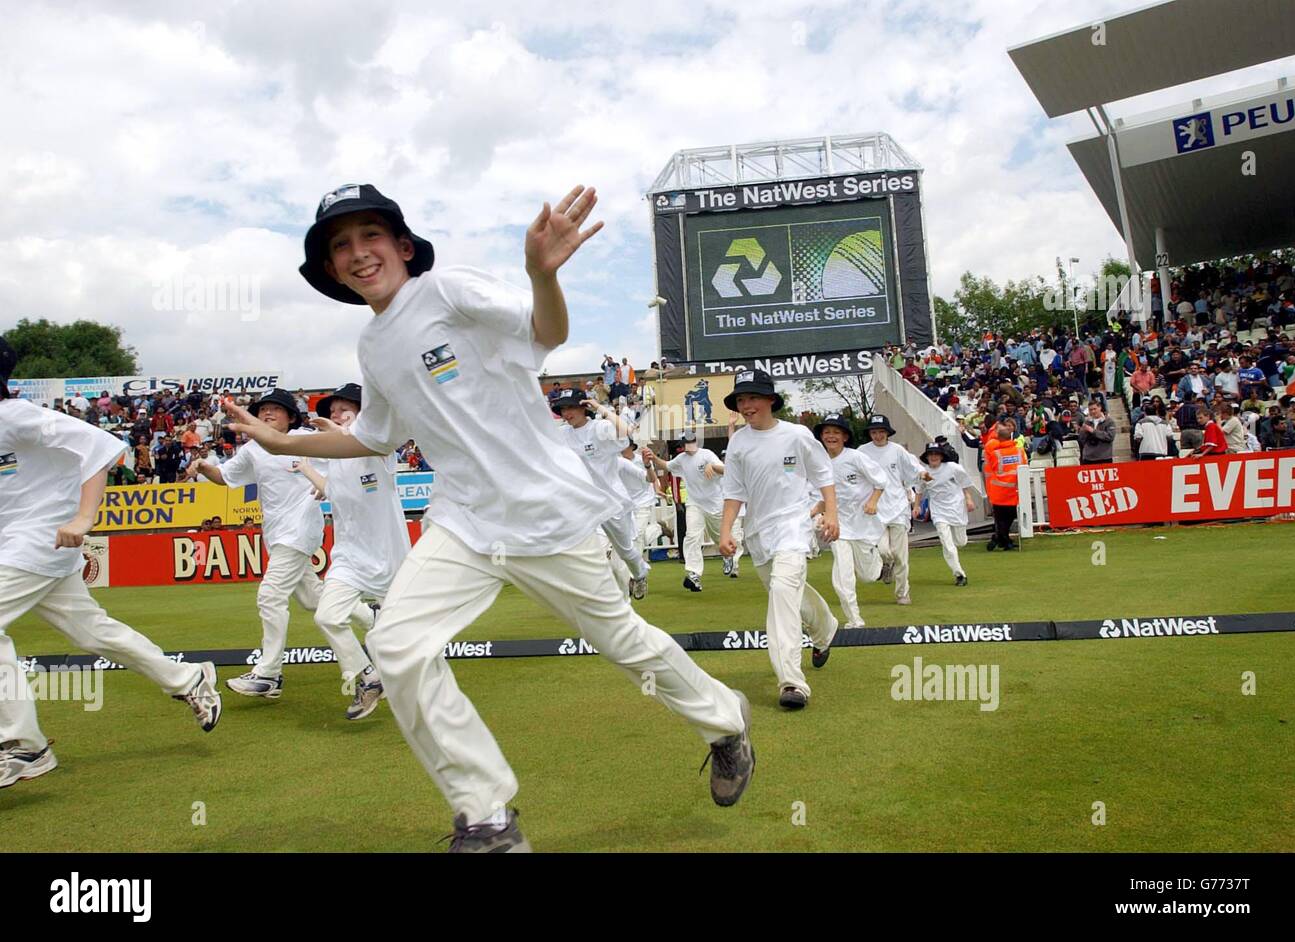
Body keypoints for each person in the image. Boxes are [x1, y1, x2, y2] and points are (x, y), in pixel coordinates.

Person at [227, 182, 753, 851]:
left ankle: (723, 720)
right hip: (467, 521)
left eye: (371, 236)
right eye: (341, 246)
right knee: (396, 646)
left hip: (547, 513)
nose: (359, 253)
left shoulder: (445, 291)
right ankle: (488, 817)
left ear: (403, 246)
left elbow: (546, 332)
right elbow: (375, 436)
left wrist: (541, 272)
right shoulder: (371, 348)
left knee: (626, 644)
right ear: (331, 270)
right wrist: (283, 442)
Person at [0, 338, 220, 790]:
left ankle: (25, 744)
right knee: (93, 630)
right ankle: (189, 677)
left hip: (39, 542)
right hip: (29, 547)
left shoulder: (14, 416)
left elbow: (101, 444)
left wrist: (84, 517)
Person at [187, 388, 376, 699]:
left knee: (271, 595)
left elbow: (347, 458)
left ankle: (269, 673)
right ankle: (371, 616)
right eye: (263, 410)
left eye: (276, 409)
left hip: (301, 529)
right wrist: (204, 467)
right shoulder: (253, 449)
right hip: (275, 534)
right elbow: (223, 476)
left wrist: (331, 483)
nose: (268, 413)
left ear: (291, 416)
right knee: (313, 598)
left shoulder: (306, 439)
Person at [718, 370, 838, 710]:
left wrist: (832, 514)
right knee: (789, 595)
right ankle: (826, 628)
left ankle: (792, 683)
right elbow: (734, 491)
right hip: (758, 534)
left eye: (753, 398)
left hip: (794, 528)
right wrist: (727, 532)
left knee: (783, 594)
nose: (746, 406)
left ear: (771, 400)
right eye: (741, 400)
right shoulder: (739, 441)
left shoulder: (797, 435)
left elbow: (824, 475)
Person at [292, 383, 412, 720]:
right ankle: (370, 678)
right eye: (331, 412)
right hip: (348, 557)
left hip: (391, 558)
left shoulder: (380, 446)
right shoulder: (334, 460)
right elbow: (332, 490)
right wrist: (306, 469)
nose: (335, 416)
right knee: (327, 617)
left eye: (344, 410)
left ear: (362, 414)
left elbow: (369, 442)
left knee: (400, 639)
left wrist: (339, 432)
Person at [552, 387, 650, 600]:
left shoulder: (600, 428)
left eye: (571, 408)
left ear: (583, 407)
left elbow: (626, 431)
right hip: (585, 503)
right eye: (563, 409)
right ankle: (601, 597)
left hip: (613, 501)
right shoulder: (561, 434)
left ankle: (640, 574)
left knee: (625, 551)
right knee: (587, 549)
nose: (566, 414)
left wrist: (600, 408)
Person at [644, 430, 743, 590]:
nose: (686, 446)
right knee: (691, 536)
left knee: (720, 538)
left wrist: (713, 467)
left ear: (695, 441)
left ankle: (727, 556)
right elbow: (667, 466)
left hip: (714, 504)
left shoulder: (707, 454)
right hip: (694, 504)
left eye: (688, 442)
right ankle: (693, 574)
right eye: (684, 444)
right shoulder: (682, 459)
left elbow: (726, 470)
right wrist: (653, 458)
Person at [812, 413, 886, 628]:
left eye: (836, 432)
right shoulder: (819, 463)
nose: (831, 436)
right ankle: (855, 619)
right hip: (838, 527)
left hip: (864, 525)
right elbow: (822, 498)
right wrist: (812, 514)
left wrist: (873, 501)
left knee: (869, 576)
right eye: (827, 432)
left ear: (845, 436)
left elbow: (880, 481)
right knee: (842, 577)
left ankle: (880, 563)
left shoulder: (856, 457)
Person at [858, 414, 922, 605]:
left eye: (881, 432)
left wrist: (923, 474)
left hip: (898, 507)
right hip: (874, 508)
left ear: (887, 433)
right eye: (874, 432)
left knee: (901, 555)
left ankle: (902, 592)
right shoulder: (862, 452)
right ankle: (886, 563)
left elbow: (913, 469)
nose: (877, 435)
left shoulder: (897, 451)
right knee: (884, 550)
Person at [915, 442, 978, 586]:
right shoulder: (924, 473)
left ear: (941, 455)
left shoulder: (953, 468)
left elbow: (965, 483)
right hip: (938, 511)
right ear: (927, 457)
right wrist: (916, 506)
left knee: (960, 542)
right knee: (947, 543)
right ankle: (959, 574)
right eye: (931, 454)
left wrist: (968, 499)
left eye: (936, 454)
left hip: (956, 508)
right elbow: (919, 490)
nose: (934, 457)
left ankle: (954, 548)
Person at [983, 417, 1024, 551]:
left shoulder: (994, 452)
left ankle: (1001, 538)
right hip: (1014, 489)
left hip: (998, 489)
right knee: (1010, 517)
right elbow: (1024, 466)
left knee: (1000, 518)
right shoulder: (1019, 451)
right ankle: (1002, 539)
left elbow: (991, 466)